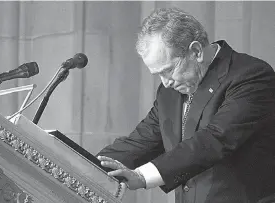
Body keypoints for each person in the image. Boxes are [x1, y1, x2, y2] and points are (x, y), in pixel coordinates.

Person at [97, 7, 275, 203]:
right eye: (158, 75)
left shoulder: (251, 76)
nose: (165, 82)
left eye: (168, 70)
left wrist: (142, 177)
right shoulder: (169, 91)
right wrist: (85, 164)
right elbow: (142, 140)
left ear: (196, 51)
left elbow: (215, 140)